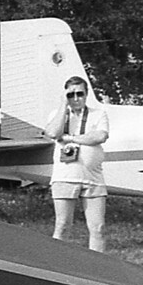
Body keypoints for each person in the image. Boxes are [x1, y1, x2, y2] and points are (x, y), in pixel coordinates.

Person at [44, 75, 111, 251]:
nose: (76, 99)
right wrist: (62, 106)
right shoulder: (57, 115)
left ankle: (97, 270)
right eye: (71, 95)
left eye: (80, 94)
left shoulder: (98, 114)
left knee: (99, 228)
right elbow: (52, 132)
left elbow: (100, 136)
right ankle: (57, 269)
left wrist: (70, 138)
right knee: (63, 225)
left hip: (93, 177)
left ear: (86, 94)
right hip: (65, 177)